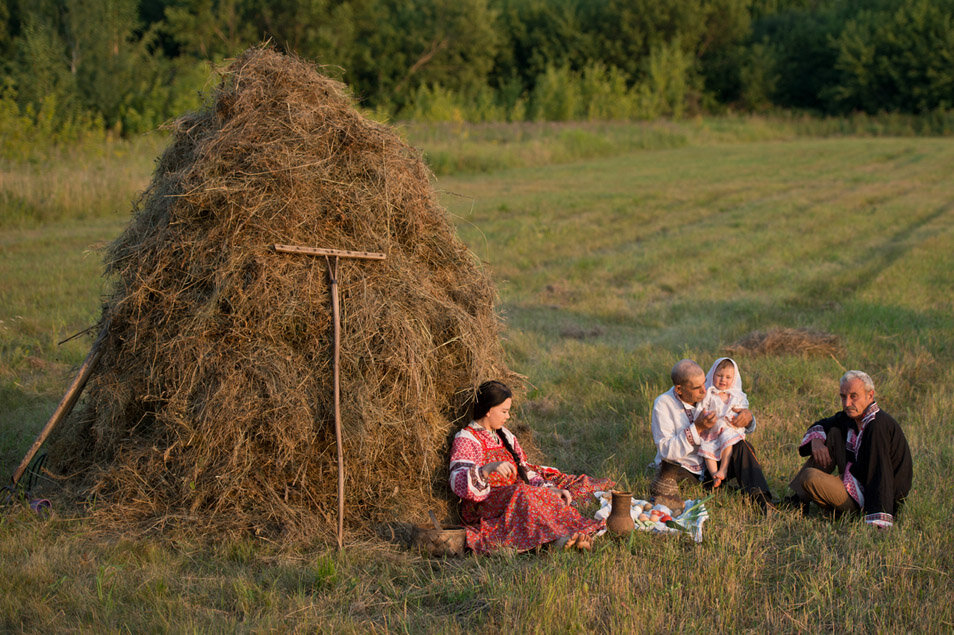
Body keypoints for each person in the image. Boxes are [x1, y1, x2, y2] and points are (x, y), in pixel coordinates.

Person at [449, 380, 613, 554]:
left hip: (513, 495)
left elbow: (524, 470)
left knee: (542, 495)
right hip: (484, 504)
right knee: (524, 493)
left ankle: (567, 535)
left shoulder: (505, 435)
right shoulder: (467, 438)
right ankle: (559, 538)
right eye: (504, 411)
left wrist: (547, 490)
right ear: (489, 410)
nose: (508, 417)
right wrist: (486, 470)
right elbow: (457, 481)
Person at [787, 370, 912, 528]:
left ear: (870, 395)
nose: (847, 403)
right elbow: (824, 423)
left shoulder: (877, 426)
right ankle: (797, 501)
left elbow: (881, 474)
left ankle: (848, 512)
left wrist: (879, 519)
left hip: (869, 497)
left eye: (854, 396)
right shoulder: (852, 417)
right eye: (843, 396)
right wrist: (817, 441)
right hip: (853, 479)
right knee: (833, 433)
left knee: (809, 477)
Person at [649, 359, 773, 511]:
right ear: (679, 390)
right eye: (697, 387)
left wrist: (748, 419)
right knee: (669, 475)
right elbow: (666, 450)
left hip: (714, 457)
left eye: (704, 382)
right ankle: (713, 486)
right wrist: (697, 428)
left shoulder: (713, 392)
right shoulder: (663, 404)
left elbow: (732, 425)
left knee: (743, 446)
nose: (704, 389)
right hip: (686, 469)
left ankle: (762, 500)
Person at [699, 358, 749, 488]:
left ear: (734, 378)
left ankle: (724, 468)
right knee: (706, 448)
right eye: (719, 376)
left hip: (727, 427)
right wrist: (705, 416)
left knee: (728, 442)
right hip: (711, 428)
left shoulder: (736, 395)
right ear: (712, 375)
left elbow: (742, 409)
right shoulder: (709, 393)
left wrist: (738, 415)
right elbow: (701, 408)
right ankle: (714, 474)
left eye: (728, 377)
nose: (723, 380)